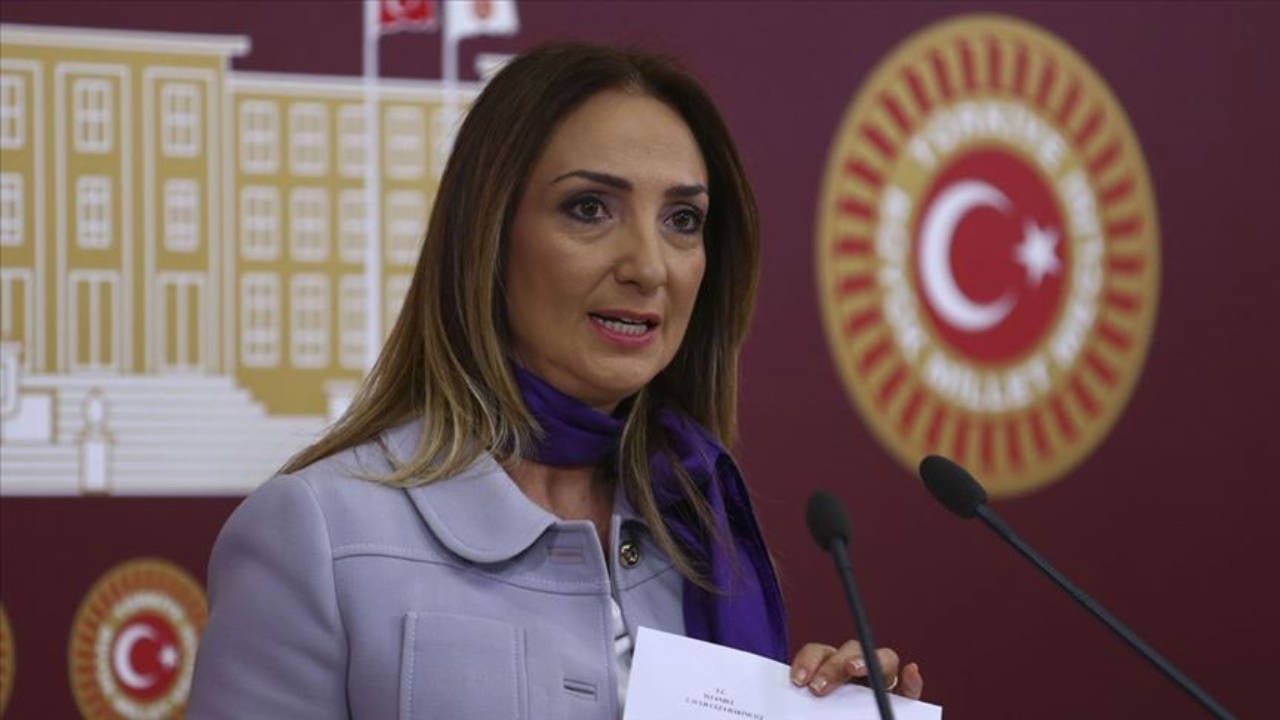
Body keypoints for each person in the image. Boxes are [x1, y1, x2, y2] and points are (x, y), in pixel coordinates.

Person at [187, 42, 924, 718]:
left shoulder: (700, 528)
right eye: (589, 208)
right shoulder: (315, 532)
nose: (649, 266)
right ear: (488, 236)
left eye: (682, 220)